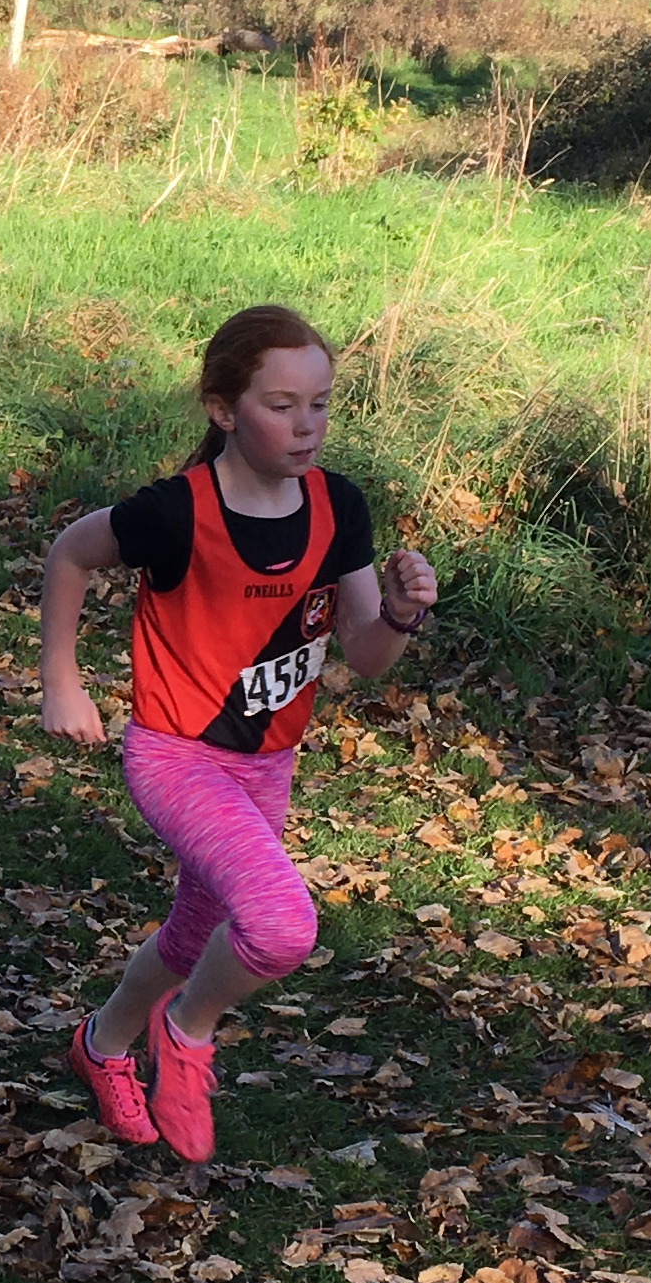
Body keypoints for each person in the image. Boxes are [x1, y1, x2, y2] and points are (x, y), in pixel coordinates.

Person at [34, 306, 441, 1166]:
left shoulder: (338, 506)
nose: (307, 426)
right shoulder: (175, 512)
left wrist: (402, 613)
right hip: (177, 755)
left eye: (320, 405)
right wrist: (62, 681)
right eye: (282, 406)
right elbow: (70, 553)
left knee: (195, 936)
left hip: (267, 763)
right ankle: (185, 1032)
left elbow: (365, 656)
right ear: (223, 410)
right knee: (282, 925)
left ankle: (102, 1046)